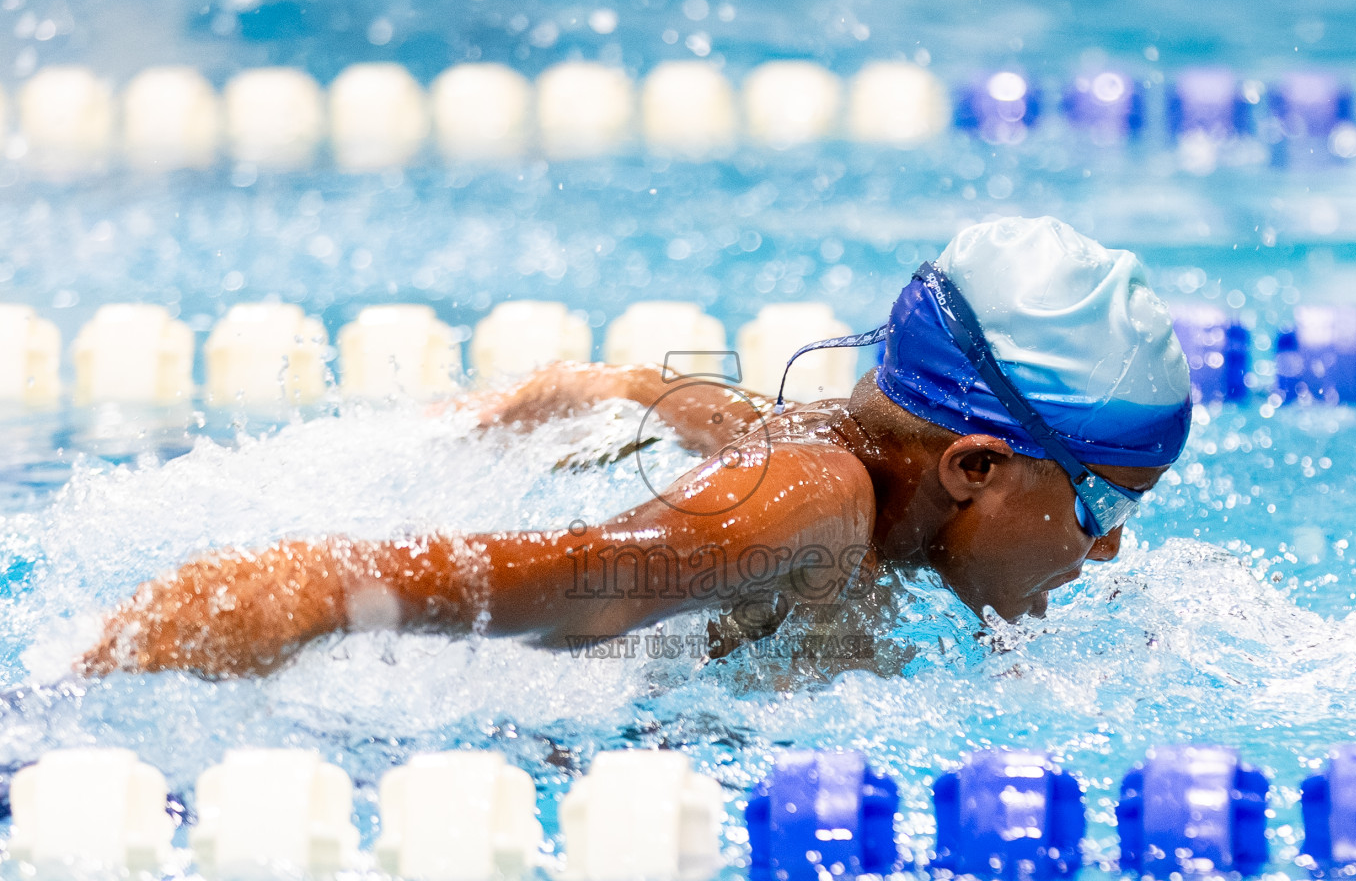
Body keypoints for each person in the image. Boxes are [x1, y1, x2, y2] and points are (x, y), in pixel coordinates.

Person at [79, 216, 1192, 678]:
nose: (1105, 555)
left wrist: (590, 394)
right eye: (1107, 507)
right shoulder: (804, 500)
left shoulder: (818, 447)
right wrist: (315, 587)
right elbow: (584, 590)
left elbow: (655, 396)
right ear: (977, 467)